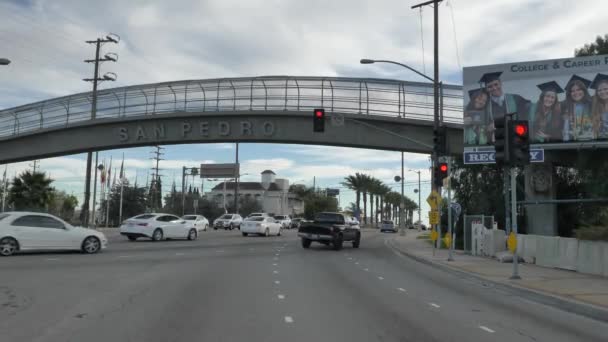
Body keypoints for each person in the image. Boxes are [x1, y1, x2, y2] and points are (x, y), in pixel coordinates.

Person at [479, 71, 530, 142]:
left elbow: (531, 110)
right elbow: (480, 123)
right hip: (496, 141)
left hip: (515, 139)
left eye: (496, 84)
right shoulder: (485, 105)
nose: (494, 88)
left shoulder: (515, 98)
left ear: (500, 83)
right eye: (489, 86)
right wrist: (487, 128)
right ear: (487, 89)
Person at [562, 75, 593, 141]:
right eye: (573, 91)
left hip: (592, 142)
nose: (576, 93)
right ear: (569, 93)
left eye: (579, 89)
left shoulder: (592, 105)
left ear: (584, 91)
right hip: (573, 142)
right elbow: (565, 129)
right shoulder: (566, 107)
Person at [590, 73, 608, 139]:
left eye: (606, 89)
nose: (602, 92)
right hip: (600, 142)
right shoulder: (595, 107)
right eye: (599, 90)